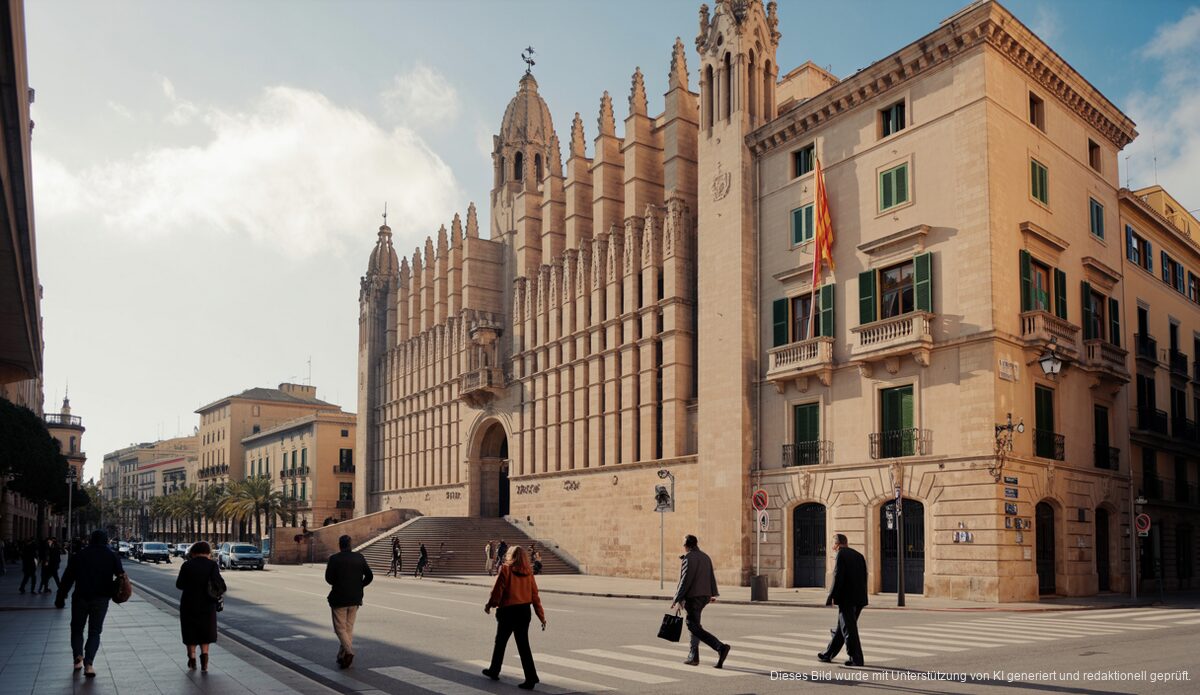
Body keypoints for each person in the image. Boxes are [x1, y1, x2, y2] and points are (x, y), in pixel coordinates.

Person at [55, 530, 125, 677]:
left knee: (76, 629)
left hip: (80, 597)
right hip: (101, 598)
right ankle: (89, 664)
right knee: (95, 631)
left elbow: (67, 578)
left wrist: (60, 597)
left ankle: (77, 658)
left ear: (91, 540)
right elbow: (121, 575)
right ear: (106, 540)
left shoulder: (79, 555)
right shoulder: (111, 555)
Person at [482, 545, 545, 690]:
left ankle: (494, 670)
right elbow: (535, 596)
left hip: (508, 611)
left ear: (510, 556)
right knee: (523, 645)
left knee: (500, 642)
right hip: (524, 611)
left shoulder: (506, 569)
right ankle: (531, 677)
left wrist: (489, 605)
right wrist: (541, 616)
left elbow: (498, 591)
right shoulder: (529, 573)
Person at [670, 534, 730, 668]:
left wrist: (677, 597)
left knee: (692, 625)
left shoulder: (688, 558)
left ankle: (720, 647)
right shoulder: (705, 556)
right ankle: (694, 656)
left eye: (684, 545)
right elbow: (710, 576)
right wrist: (711, 593)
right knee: (695, 625)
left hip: (693, 597)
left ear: (687, 545)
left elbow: (685, 580)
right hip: (704, 596)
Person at [817, 533, 869, 667]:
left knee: (849, 629)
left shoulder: (841, 554)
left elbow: (838, 576)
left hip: (847, 598)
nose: (833, 547)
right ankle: (828, 654)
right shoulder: (859, 555)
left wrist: (832, 596)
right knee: (842, 628)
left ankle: (856, 658)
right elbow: (864, 576)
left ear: (837, 544)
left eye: (833, 544)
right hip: (859, 598)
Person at [325, 534, 373, 669]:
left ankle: (349, 652)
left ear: (340, 545)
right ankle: (342, 656)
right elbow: (369, 575)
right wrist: (360, 585)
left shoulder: (334, 559)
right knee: (348, 628)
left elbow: (329, 579)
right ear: (350, 544)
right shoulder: (359, 557)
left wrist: (340, 583)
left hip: (339, 598)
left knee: (340, 628)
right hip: (355, 598)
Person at [176, 541, 225, 672]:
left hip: (189, 603)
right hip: (207, 604)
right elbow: (220, 585)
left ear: (193, 552)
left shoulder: (186, 565)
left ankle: (192, 659)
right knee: (205, 632)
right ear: (208, 552)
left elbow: (179, 585)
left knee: (190, 631)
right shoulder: (212, 565)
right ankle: (205, 662)